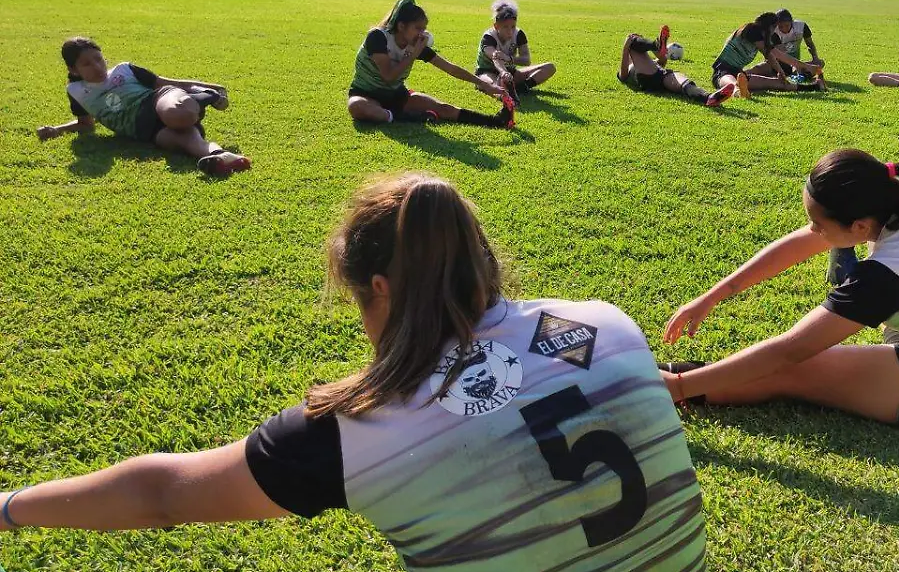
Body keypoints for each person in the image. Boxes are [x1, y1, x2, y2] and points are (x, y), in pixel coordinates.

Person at [0, 173, 707, 570]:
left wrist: (9, 507)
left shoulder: (361, 431)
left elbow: (161, 492)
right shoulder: (607, 322)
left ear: (381, 290)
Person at [659, 149, 899, 432]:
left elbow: (790, 351)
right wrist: (714, 295)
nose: (814, 231)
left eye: (818, 223)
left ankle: (659, 383)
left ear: (859, 227)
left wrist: (679, 386)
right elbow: (806, 240)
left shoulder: (888, 272)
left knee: (796, 372)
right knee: (885, 332)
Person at [37, 37, 250, 177]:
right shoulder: (76, 92)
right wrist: (57, 129)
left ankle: (205, 96)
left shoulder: (124, 70)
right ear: (73, 70)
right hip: (145, 131)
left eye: (98, 59)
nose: (97, 67)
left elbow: (166, 83)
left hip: (159, 100)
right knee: (185, 140)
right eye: (87, 64)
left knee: (179, 116)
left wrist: (213, 87)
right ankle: (223, 157)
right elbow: (86, 125)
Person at [347, 0, 515, 129]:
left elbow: (451, 68)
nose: (423, 34)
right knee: (356, 106)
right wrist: (412, 55)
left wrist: (485, 85)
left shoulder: (417, 44)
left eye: (424, 29)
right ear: (401, 26)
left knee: (444, 109)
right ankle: (400, 117)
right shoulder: (378, 37)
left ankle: (495, 121)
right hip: (366, 94)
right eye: (418, 28)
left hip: (395, 95)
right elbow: (388, 76)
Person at [474, 0, 557, 105]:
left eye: (513, 26)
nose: (510, 31)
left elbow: (526, 60)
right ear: (496, 26)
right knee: (493, 86)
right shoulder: (488, 37)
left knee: (549, 67)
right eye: (505, 27)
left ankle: (521, 88)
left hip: (510, 73)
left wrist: (509, 59)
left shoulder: (519, 34)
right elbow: (495, 57)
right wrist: (503, 72)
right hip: (488, 72)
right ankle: (505, 92)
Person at [619, 32, 735, 107]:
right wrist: (626, 48)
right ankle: (654, 44)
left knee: (685, 84)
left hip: (663, 76)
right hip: (645, 78)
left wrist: (655, 50)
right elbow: (623, 77)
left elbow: (663, 61)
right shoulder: (630, 64)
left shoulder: (649, 62)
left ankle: (708, 98)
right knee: (632, 39)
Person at [711, 12, 805, 99]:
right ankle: (738, 92)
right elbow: (769, 54)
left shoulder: (760, 37)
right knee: (730, 80)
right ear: (770, 27)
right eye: (775, 28)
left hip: (739, 73)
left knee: (773, 83)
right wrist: (781, 72)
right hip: (722, 69)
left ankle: (814, 86)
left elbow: (773, 53)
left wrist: (781, 72)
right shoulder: (753, 30)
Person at [747, 9, 827, 92]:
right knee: (756, 70)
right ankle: (738, 76)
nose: (784, 29)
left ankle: (798, 75)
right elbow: (781, 56)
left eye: (787, 25)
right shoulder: (774, 33)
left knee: (819, 63)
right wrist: (797, 66)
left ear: (792, 22)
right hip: (777, 64)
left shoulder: (801, 26)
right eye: (780, 26)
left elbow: (810, 43)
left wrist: (815, 57)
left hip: (794, 65)